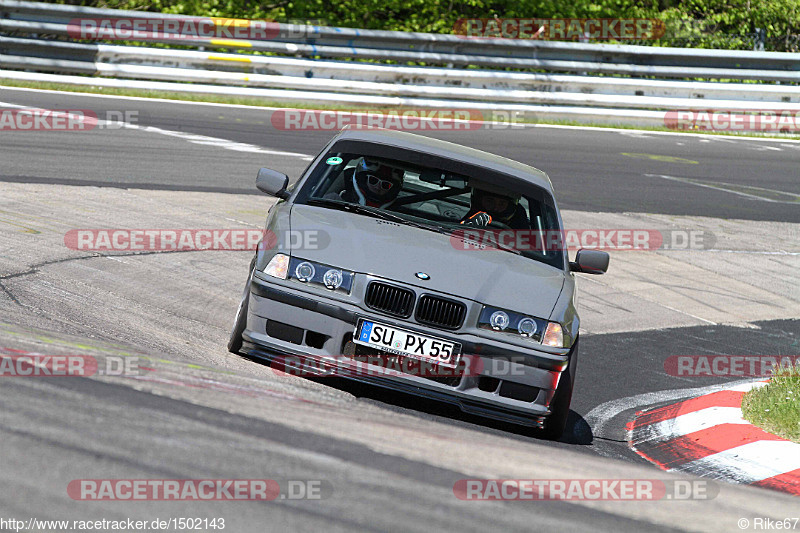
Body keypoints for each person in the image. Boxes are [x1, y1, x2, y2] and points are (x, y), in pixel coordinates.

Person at [327, 158, 404, 208]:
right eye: (373, 180)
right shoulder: (332, 201)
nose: (378, 186)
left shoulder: (402, 214)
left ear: (393, 189)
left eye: (386, 185)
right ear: (363, 180)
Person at [460, 187, 530, 229]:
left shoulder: (521, 236)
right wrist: (468, 225)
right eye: (489, 201)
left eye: (502, 204)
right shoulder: (470, 221)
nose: (495, 208)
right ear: (479, 200)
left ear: (509, 207)